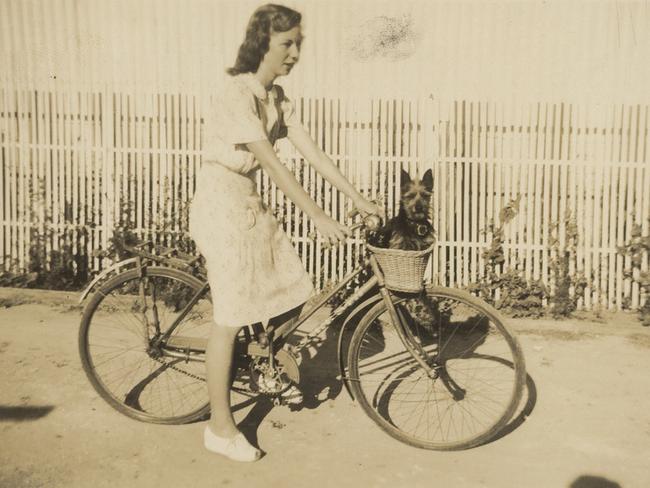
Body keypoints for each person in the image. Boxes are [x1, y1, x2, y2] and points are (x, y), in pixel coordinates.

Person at [189, 3, 382, 462]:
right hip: (220, 205)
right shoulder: (236, 94)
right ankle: (220, 428)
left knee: (291, 287)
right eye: (286, 44)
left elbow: (313, 154)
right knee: (230, 317)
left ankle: (264, 366)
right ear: (262, 44)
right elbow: (272, 164)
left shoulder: (276, 98)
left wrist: (356, 199)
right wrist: (316, 214)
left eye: (299, 43)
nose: (295, 52)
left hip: (249, 205)